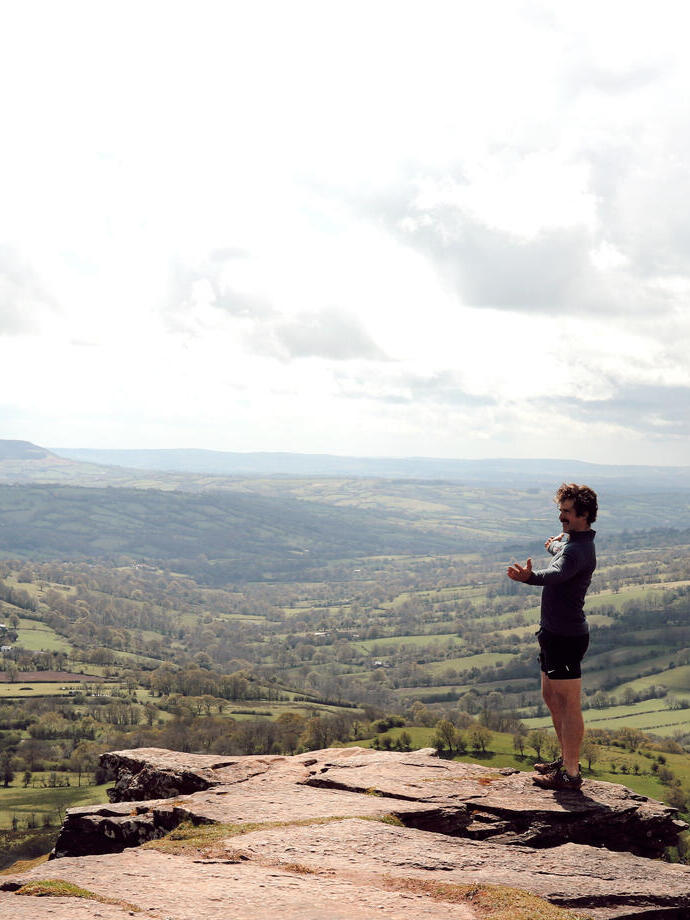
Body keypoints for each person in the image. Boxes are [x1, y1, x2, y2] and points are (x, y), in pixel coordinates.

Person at [507, 483, 598, 791]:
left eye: (567, 512)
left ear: (583, 514)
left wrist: (530, 577)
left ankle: (571, 774)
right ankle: (565, 759)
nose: (561, 517)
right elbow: (562, 553)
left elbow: (557, 573)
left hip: (566, 638)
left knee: (569, 704)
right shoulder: (574, 543)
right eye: (560, 510)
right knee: (551, 697)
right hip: (552, 634)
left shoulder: (578, 550)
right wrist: (552, 546)